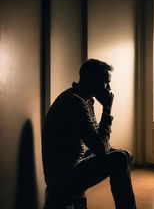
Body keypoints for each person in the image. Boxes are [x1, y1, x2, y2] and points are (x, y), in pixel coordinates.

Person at [42, 59, 137, 209]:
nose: (109, 88)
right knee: (119, 158)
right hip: (62, 178)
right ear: (92, 79)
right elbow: (100, 148)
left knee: (125, 154)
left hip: (71, 166)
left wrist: (104, 147)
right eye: (106, 82)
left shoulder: (81, 99)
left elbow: (97, 144)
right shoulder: (75, 103)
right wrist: (107, 109)